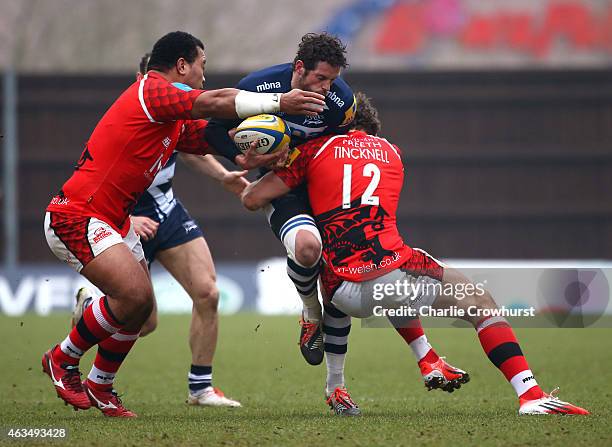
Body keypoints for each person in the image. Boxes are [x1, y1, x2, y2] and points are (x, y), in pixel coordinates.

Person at [241, 92, 589, 416]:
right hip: (396, 275)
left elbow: (255, 198)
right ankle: (529, 394)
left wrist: (272, 168)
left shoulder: (314, 149)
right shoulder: (393, 152)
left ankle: (342, 382)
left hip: (341, 294)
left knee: (336, 263)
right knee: (479, 303)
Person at [42, 30, 326, 418]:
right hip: (77, 213)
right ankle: (63, 358)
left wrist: (265, 151)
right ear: (181, 66)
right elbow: (214, 103)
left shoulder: (170, 119)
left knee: (140, 311)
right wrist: (281, 101)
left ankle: (101, 385)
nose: (204, 76)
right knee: (135, 298)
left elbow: (216, 138)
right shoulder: (151, 90)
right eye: (202, 66)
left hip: (113, 218)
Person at [206, 33, 468, 393]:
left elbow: (340, 149)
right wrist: (240, 157)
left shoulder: (340, 101)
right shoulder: (258, 86)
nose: (328, 87)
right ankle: (311, 311)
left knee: (378, 262)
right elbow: (214, 128)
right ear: (299, 69)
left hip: (321, 185)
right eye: (321, 78)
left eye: (332, 79)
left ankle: (412, 361)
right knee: (308, 248)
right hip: (285, 188)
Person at [70, 53, 246, 408]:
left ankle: (201, 389)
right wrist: (127, 219)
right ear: (143, 78)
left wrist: (224, 175)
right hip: (122, 216)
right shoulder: (136, 110)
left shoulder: (175, 110)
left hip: (166, 210)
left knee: (208, 293)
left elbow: (190, 145)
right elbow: (96, 174)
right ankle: (93, 329)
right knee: (143, 320)